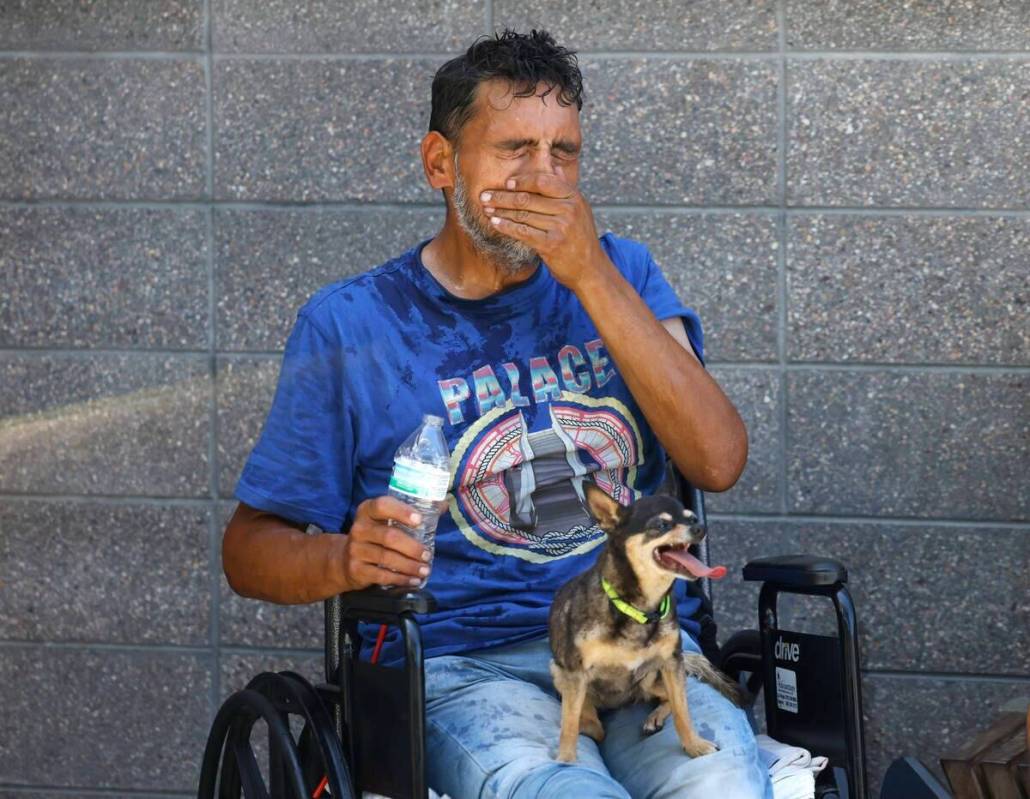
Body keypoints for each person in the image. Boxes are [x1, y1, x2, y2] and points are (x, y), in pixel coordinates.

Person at [223, 28, 769, 799]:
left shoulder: (627, 274)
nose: (544, 177)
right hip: (464, 666)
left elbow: (718, 460)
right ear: (441, 164)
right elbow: (248, 549)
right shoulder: (350, 325)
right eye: (515, 148)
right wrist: (343, 560)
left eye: (564, 153)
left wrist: (589, 276)